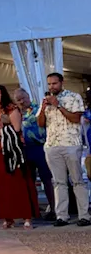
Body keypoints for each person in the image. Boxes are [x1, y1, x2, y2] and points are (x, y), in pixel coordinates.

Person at [38, 73, 91, 227]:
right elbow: (40, 124)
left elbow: (75, 119)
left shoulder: (73, 97)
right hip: (52, 145)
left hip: (71, 144)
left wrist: (58, 105)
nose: (51, 87)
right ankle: (62, 216)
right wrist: (42, 109)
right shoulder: (46, 101)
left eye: (54, 83)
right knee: (58, 182)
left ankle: (84, 215)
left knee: (77, 181)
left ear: (62, 83)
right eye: (49, 84)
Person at [0, 85, 39, 229]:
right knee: (3, 186)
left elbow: (16, 128)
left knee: (19, 182)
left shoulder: (11, 108)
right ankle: (8, 216)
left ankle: (26, 216)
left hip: (13, 150)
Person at [13, 88, 56, 221]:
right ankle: (33, 209)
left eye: (23, 98)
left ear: (28, 96)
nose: (21, 101)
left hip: (40, 147)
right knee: (29, 181)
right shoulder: (16, 112)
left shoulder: (38, 108)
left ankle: (54, 208)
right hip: (24, 149)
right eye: (18, 99)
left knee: (47, 179)